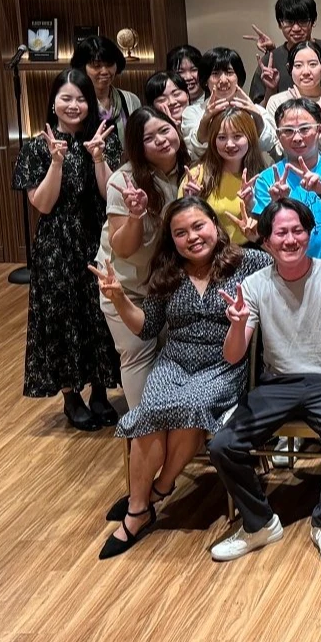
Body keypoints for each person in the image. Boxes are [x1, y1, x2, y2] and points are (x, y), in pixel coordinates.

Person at [89, 198, 272, 558]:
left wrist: (258, 237)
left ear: (215, 225)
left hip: (223, 363)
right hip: (174, 363)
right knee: (151, 411)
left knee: (192, 405)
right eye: (180, 232)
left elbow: (284, 264)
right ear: (171, 240)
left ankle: (158, 489)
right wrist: (120, 298)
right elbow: (147, 328)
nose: (192, 237)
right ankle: (139, 508)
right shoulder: (167, 272)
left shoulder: (246, 262)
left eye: (198, 226)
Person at [208, 199, 321, 565]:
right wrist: (236, 325)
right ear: (266, 241)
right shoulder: (254, 284)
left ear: (310, 234)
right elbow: (233, 356)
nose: (290, 239)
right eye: (281, 233)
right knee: (222, 445)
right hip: (276, 383)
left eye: (298, 230)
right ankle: (260, 523)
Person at [12, 69, 122, 430]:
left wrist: (99, 158)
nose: (74, 105)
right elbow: (43, 204)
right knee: (63, 318)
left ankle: (101, 391)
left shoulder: (103, 139)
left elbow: (111, 196)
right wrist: (56, 161)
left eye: (81, 99)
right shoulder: (36, 147)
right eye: (66, 98)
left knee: (100, 315)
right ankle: (71, 397)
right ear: (54, 102)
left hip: (98, 239)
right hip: (57, 247)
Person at [93, 106, 190, 416]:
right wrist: (136, 215)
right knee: (137, 355)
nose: (160, 140)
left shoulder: (191, 170)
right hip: (126, 287)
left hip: (167, 285)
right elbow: (122, 248)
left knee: (172, 356)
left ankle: (171, 430)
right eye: (149, 138)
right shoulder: (124, 181)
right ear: (138, 146)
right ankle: (142, 431)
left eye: (164, 130)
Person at [252, 99, 321, 267]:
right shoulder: (267, 179)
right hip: (287, 270)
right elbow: (264, 236)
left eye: (304, 129)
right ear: (278, 135)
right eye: (288, 131)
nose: (297, 138)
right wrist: (277, 204)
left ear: (319, 130)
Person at [244, 0, 321, 102]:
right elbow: (256, 109)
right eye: (289, 22)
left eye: (303, 21)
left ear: (313, 21)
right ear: (279, 24)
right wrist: (271, 90)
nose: (296, 28)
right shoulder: (269, 62)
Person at [181, 107, 267, 245]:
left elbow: (272, 228)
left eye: (237, 136)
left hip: (252, 250)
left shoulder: (262, 175)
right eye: (222, 137)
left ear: (250, 137)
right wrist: (190, 202)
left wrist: (252, 206)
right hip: (209, 251)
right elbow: (181, 225)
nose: (229, 144)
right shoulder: (197, 175)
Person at [183, 46, 275, 160]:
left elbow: (268, 145)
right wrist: (206, 120)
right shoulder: (192, 113)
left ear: (238, 78)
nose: (223, 80)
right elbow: (195, 152)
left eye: (229, 72)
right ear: (206, 80)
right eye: (215, 73)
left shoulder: (256, 110)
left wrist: (257, 117)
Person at [264, 40, 321, 155]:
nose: (306, 71)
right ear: (289, 68)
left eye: (313, 64)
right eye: (298, 65)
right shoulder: (277, 102)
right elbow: (275, 151)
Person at [71, 35, 140, 148]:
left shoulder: (131, 100)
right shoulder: (74, 104)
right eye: (96, 66)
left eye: (109, 64)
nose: (104, 71)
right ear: (83, 68)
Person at [166, 44, 203, 112]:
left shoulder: (213, 103)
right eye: (180, 72)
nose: (188, 77)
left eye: (194, 70)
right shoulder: (168, 105)